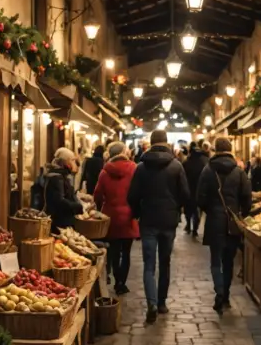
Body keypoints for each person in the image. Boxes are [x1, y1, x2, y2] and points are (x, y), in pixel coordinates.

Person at [128, 129, 190, 323]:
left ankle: (151, 303)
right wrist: (177, 209)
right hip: (169, 221)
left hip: (148, 221)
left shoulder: (141, 167)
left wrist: (138, 212)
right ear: (166, 143)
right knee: (165, 262)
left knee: (148, 264)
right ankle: (162, 302)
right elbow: (186, 195)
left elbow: (132, 196)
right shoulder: (176, 166)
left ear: (151, 143)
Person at [197, 137, 252, 314]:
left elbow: (200, 198)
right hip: (232, 222)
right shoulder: (239, 171)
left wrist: (211, 210)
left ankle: (219, 291)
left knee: (215, 260)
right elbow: (247, 197)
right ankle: (226, 295)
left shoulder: (207, 170)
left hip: (214, 221)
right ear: (230, 149)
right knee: (228, 261)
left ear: (215, 150)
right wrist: (241, 213)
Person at [94, 141, 139, 295]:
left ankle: (115, 277)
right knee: (126, 252)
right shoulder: (133, 168)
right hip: (128, 216)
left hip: (110, 215)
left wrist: (100, 209)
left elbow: (97, 195)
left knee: (114, 251)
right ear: (124, 152)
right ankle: (121, 283)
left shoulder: (104, 171)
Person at [44, 147, 83, 231]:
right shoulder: (57, 177)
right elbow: (59, 201)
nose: (74, 163)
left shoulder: (61, 175)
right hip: (60, 222)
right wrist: (77, 207)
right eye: (72, 160)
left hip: (62, 220)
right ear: (66, 162)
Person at [182, 140, 208, 236]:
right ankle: (195, 229)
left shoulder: (186, 162)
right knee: (198, 210)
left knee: (188, 209)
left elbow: (183, 177)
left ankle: (188, 225)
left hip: (188, 189)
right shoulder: (204, 161)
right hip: (199, 189)